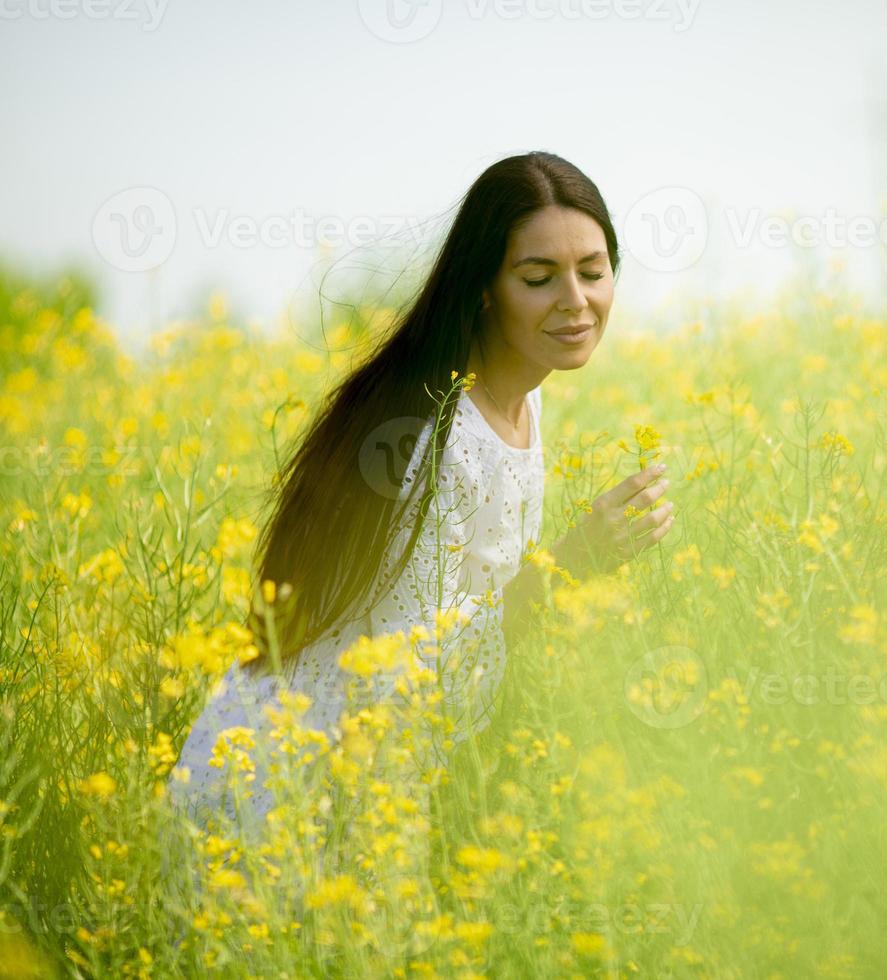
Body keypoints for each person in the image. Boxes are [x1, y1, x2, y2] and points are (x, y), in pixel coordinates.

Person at [167, 151, 677, 830]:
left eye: (593, 272)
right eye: (538, 277)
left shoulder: (519, 406)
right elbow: (406, 670)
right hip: (284, 791)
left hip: (366, 771)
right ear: (485, 288)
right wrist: (571, 565)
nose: (576, 301)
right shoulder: (435, 437)